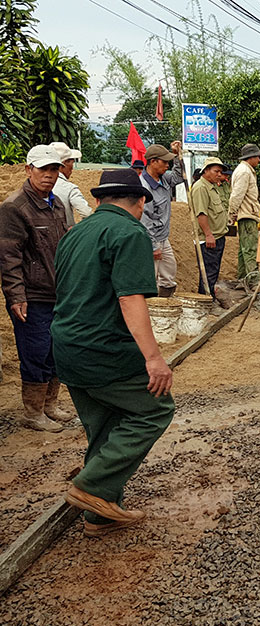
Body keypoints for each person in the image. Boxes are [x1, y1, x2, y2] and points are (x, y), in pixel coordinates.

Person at [52, 168, 175, 537]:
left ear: (99, 199)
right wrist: (154, 358)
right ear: (138, 203)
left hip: (66, 346)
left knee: (104, 428)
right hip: (104, 349)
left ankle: (100, 516)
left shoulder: (76, 233)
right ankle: (90, 486)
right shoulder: (129, 232)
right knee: (154, 410)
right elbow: (130, 297)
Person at [0, 144, 76, 432]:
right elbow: (9, 257)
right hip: (31, 295)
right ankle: (32, 412)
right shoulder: (14, 207)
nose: (49, 175)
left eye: (54, 169)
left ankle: (49, 406)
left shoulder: (56, 204)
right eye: (43, 169)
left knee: (55, 350)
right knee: (36, 351)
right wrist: (16, 295)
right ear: (28, 170)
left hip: (57, 292)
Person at [139, 141, 186, 297]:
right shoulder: (144, 186)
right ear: (153, 162)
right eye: (165, 161)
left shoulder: (164, 178)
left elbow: (179, 177)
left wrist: (177, 156)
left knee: (169, 272)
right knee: (150, 277)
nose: (168, 165)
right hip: (150, 239)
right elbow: (145, 220)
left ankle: (165, 303)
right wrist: (153, 246)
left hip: (163, 237)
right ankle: (150, 310)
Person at [189, 157, 229, 299]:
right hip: (209, 239)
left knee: (213, 271)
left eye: (220, 172)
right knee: (208, 274)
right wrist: (208, 235)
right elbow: (201, 214)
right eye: (216, 171)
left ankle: (209, 298)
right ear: (206, 171)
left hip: (217, 236)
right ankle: (205, 300)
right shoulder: (201, 188)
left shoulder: (212, 187)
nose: (219, 174)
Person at [229, 143, 260, 287]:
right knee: (250, 249)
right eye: (257, 157)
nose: (259, 160)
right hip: (247, 214)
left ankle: (242, 279)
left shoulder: (244, 170)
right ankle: (253, 282)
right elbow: (237, 195)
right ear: (251, 157)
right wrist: (232, 213)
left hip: (246, 214)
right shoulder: (244, 172)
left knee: (244, 250)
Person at [50, 141, 92, 226]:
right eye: (72, 162)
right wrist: (76, 230)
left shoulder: (36, 186)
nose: (72, 168)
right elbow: (87, 214)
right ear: (63, 164)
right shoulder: (69, 188)